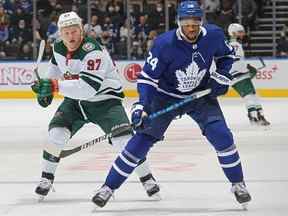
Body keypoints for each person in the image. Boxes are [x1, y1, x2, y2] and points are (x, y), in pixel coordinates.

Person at [92, 1, 251, 209]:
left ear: (201, 22)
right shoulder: (164, 44)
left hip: (200, 97)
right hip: (165, 97)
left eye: (195, 24)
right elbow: (148, 79)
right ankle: (108, 187)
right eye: (187, 24)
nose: (191, 29)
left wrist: (222, 75)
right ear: (178, 23)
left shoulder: (214, 35)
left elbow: (227, 56)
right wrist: (142, 106)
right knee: (140, 142)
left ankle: (238, 184)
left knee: (221, 135)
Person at [31, 11, 160, 200]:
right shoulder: (59, 47)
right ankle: (46, 178)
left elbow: (87, 89)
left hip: (105, 102)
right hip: (76, 103)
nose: (70, 36)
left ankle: (147, 178)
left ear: (81, 30)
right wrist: (46, 88)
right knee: (55, 135)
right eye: (66, 32)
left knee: (124, 142)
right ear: (60, 33)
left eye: (74, 31)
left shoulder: (93, 51)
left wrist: (54, 86)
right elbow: (56, 66)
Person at [228, 23, 270, 126]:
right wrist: (247, 68)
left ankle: (259, 115)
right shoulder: (234, 44)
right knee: (249, 96)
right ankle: (254, 116)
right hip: (236, 75)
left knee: (253, 95)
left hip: (239, 74)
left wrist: (247, 69)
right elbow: (235, 61)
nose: (243, 34)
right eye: (240, 32)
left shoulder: (235, 44)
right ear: (233, 33)